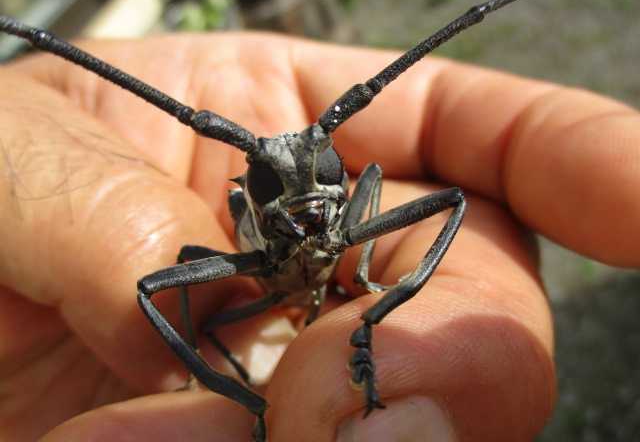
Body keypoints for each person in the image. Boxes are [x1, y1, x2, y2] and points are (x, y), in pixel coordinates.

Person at [0, 33, 637, 442]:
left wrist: (367, 285)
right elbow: (153, 289)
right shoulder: (244, 241)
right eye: (273, 183)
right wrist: (214, 381)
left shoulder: (355, 200)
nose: (309, 193)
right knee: (159, 280)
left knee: (448, 202)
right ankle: (228, 393)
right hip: (259, 277)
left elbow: (443, 202)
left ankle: (368, 302)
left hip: (341, 273)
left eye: (327, 172)